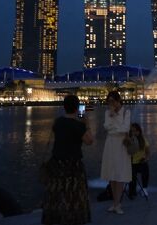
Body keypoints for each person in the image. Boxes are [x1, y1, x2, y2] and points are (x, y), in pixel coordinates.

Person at [42, 94, 93, 225]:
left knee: (57, 193)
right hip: (73, 164)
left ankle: (55, 218)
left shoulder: (57, 122)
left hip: (57, 163)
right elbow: (89, 141)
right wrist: (87, 125)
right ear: (77, 108)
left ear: (64, 107)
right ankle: (73, 219)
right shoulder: (78, 125)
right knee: (74, 194)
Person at [100, 91, 131, 214]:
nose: (111, 104)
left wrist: (114, 122)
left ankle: (118, 204)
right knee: (111, 175)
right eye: (109, 102)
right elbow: (106, 127)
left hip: (121, 144)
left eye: (113, 101)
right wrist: (113, 120)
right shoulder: (108, 112)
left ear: (119, 100)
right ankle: (115, 203)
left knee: (119, 174)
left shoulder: (125, 112)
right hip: (110, 143)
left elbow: (125, 128)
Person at [128, 123, 150, 199]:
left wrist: (146, 158)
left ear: (139, 131)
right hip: (131, 163)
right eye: (132, 131)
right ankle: (132, 191)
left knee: (145, 167)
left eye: (135, 131)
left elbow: (147, 152)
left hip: (140, 162)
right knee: (132, 175)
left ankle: (144, 188)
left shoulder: (143, 140)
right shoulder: (129, 140)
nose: (134, 133)